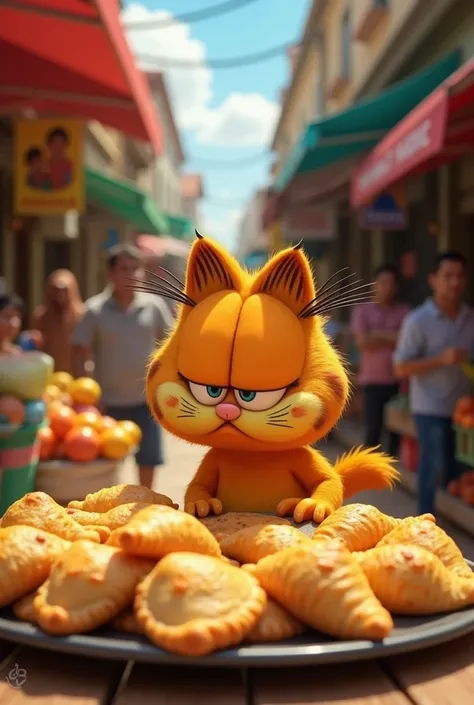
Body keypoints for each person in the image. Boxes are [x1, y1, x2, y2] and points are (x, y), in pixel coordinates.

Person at [72, 244, 173, 489]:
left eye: (135, 268)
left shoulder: (154, 306)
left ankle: (146, 503)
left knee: (148, 458)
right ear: (111, 274)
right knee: (106, 463)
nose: (131, 274)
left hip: (146, 401)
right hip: (108, 403)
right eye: (124, 268)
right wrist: (87, 398)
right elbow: (78, 351)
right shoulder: (94, 310)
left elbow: (171, 345)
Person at [394, 251, 474, 515]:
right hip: (429, 407)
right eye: (447, 276)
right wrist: (441, 359)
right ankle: (424, 519)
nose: (454, 282)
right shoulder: (418, 320)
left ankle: (455, 521)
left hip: (465, 411)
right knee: (433, 464)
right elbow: (401, 366)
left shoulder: (470, 318)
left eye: (459, 276)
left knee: (460, 471)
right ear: (433, 279)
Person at [351, 264, 409, 457]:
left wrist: (376, 335)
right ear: (374, 285)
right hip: (372, 382)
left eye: (391, 283)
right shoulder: (362, 311)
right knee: (372, 431)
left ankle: (389, 475)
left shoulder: (404, 311)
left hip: (398, 381)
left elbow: (407, 341)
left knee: (395, 434)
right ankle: (371, 473)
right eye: (383, 282)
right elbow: (363, 342)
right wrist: (393, 337)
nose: (387, 287)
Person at [32, 270, 84, 374]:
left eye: (64, 290)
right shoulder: (42, 315)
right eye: (56, 290)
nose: (60, 294)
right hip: (49, 372)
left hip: (74, 373)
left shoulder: (80, 315)